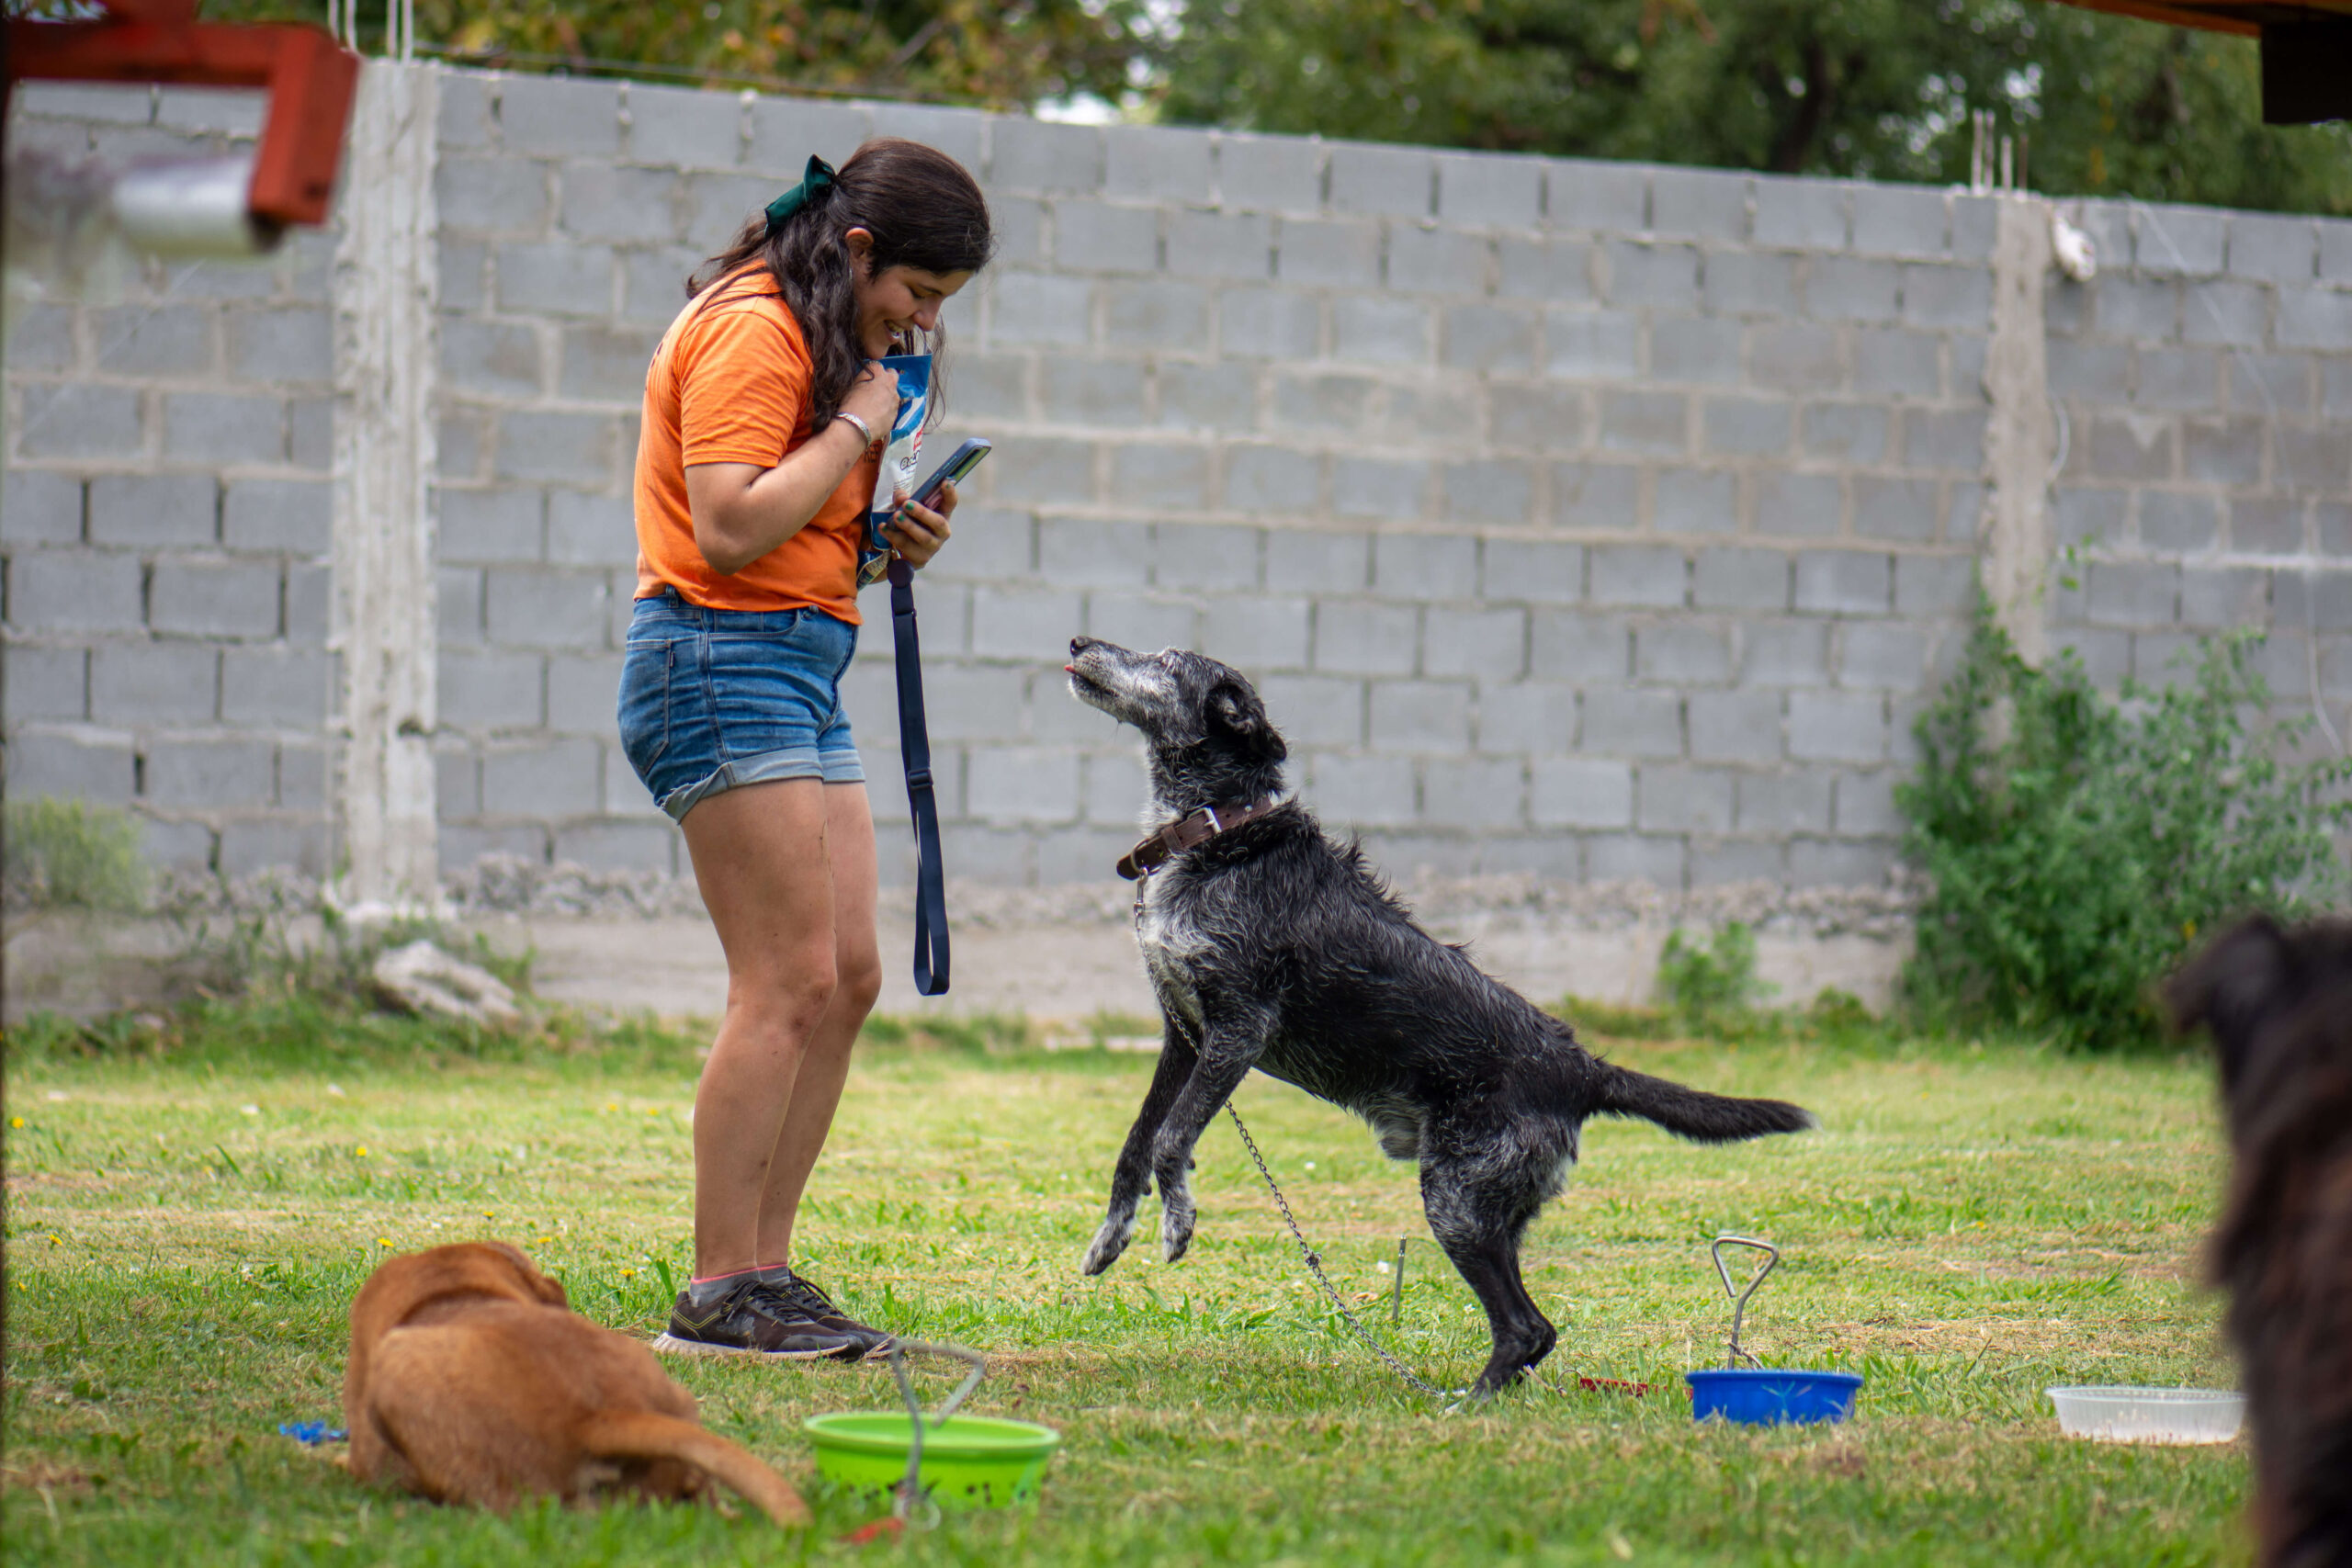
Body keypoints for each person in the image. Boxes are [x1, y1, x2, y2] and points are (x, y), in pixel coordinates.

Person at [617, 140, 992, 1359]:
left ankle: (763, 1281)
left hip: (794, 660)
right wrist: (858, 426)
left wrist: (888, 543)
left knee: (846, 976)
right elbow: (725, 526)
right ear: (860, 251)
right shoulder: (751, 329)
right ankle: (721, 1291)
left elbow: (792, 527)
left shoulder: (830, 344)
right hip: (713, 659)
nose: (924, 320)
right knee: (783, 985)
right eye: (919, 292)